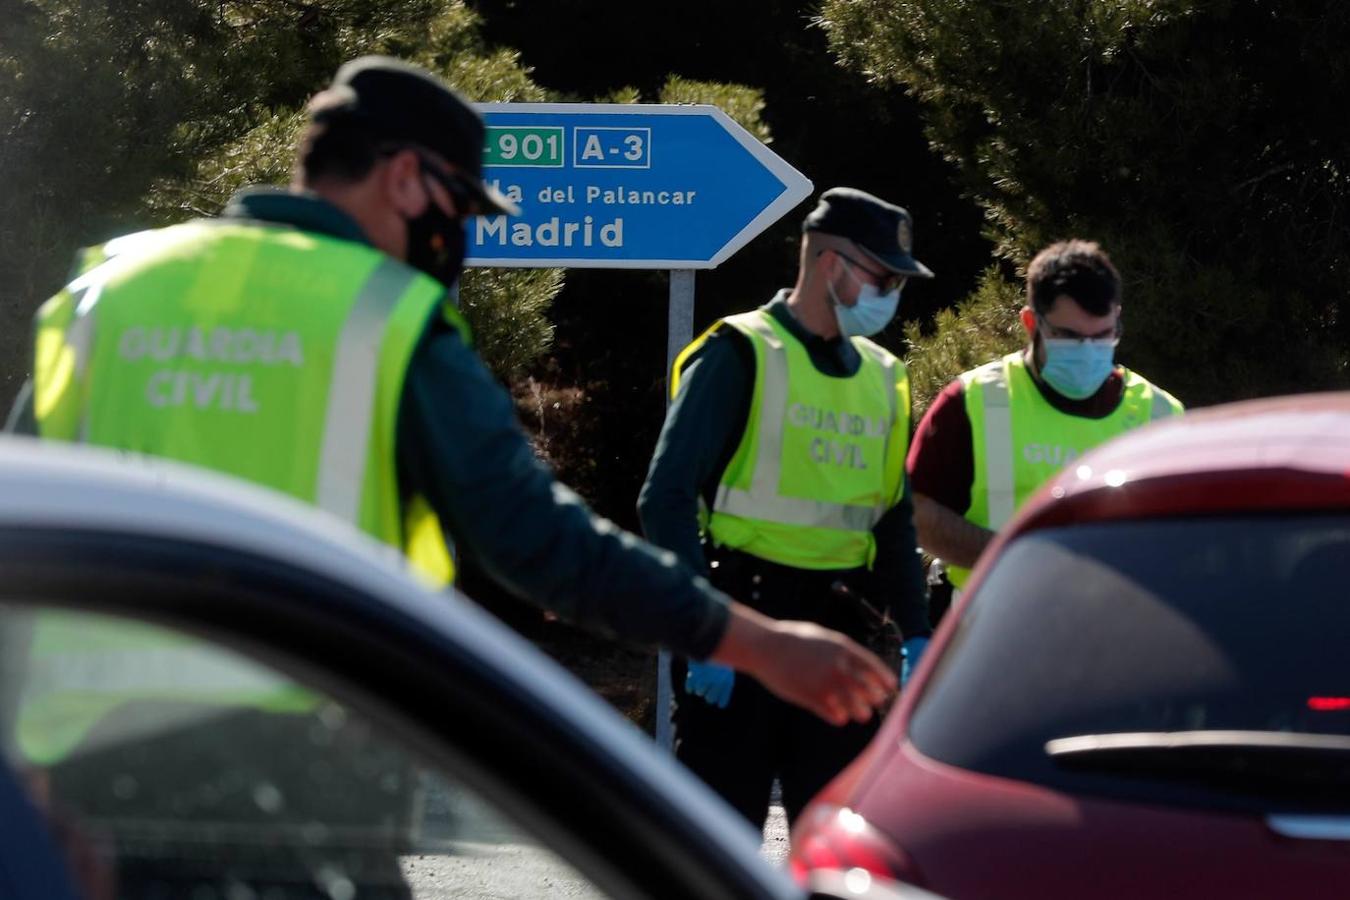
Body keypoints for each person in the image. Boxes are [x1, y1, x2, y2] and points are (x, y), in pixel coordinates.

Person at [4, 57, 896, 894]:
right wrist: (753, 641)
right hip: (303, 797)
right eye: (460, 206)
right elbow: (537, 539)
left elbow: (23, 530)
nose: (461, 236)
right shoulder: (379, 315)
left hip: (89, 795)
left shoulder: (107, 291)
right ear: (402, 178)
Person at [638, 187, 933, 828]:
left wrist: (915, 634)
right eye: (883, 277)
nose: (892, 294)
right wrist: (704, 632)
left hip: (840, 636)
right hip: (740, 629)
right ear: (831, 266)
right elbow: (664, 497)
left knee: (834, 848)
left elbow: (893, 517)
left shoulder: (885, 377)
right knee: (716, 851)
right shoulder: (739, 353)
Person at [907, 239, 1183, 591]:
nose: (1088, 350)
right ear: (1030, 323)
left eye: (1103, 335)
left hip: (1118, 624)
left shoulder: (1161, 416)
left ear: (1117, 319)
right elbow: (918, 511)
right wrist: (1017, 558)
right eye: (1069, 336)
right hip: (996, 621)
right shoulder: (975, 399)